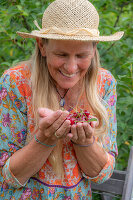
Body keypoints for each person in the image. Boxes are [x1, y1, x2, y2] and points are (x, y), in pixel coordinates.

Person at [0, 0, 124, 199]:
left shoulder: (104, 83)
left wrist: (85, 143)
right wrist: (44, 139)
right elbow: (9, 176)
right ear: (42, 46)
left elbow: (101, 176)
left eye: (82, 55)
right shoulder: (16, 82)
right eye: (61, 54)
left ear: (94, 49)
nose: (71, 67)